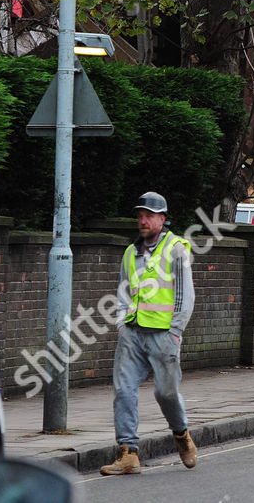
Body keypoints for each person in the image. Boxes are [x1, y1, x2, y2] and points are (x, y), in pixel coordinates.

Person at [100, 192, 197, 475]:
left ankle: (181, 435)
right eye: (140, 216)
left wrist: (176, 332)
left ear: (162, 219)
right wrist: (120, 323)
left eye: (149, 216)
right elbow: (122, 290)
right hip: (132, 333)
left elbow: (184, 295)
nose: (142, 221)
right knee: (123, 390)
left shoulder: (177, 248)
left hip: (164, 335)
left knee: (166, 394)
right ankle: (128, 453)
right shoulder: (131, 252)